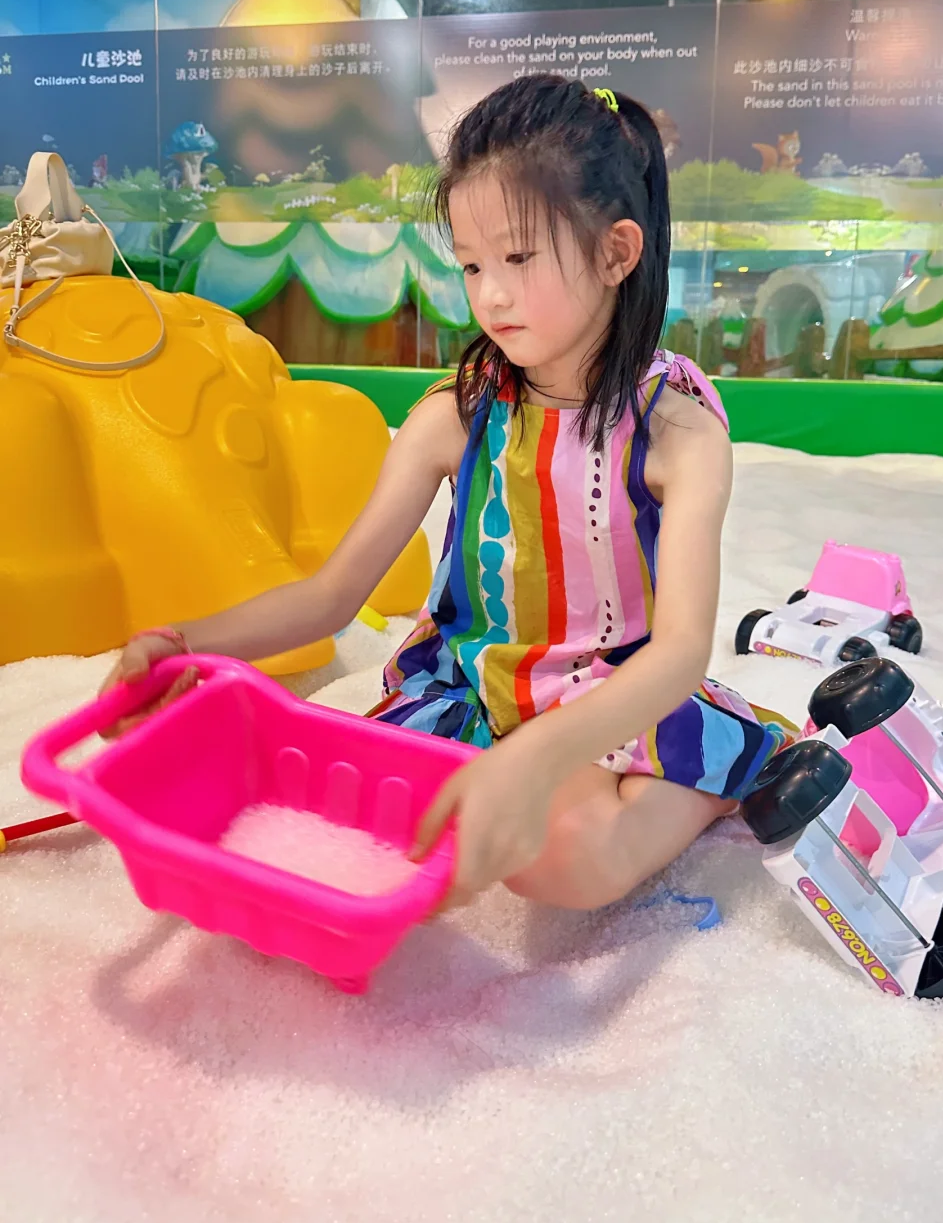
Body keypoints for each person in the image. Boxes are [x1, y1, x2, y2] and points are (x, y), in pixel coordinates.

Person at [103, 75, 796, 912]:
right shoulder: (455, 416)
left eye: (518, 258)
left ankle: (721, 777)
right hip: (472, 683)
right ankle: (638, 773)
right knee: (392, 815)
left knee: (560, 861)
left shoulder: (679, 434)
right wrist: (184, 644)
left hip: (616, 690)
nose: (490, 294)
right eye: (471, 264)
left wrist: (536, 756)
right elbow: (331, 597)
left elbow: (680, 650)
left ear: (617, 253)